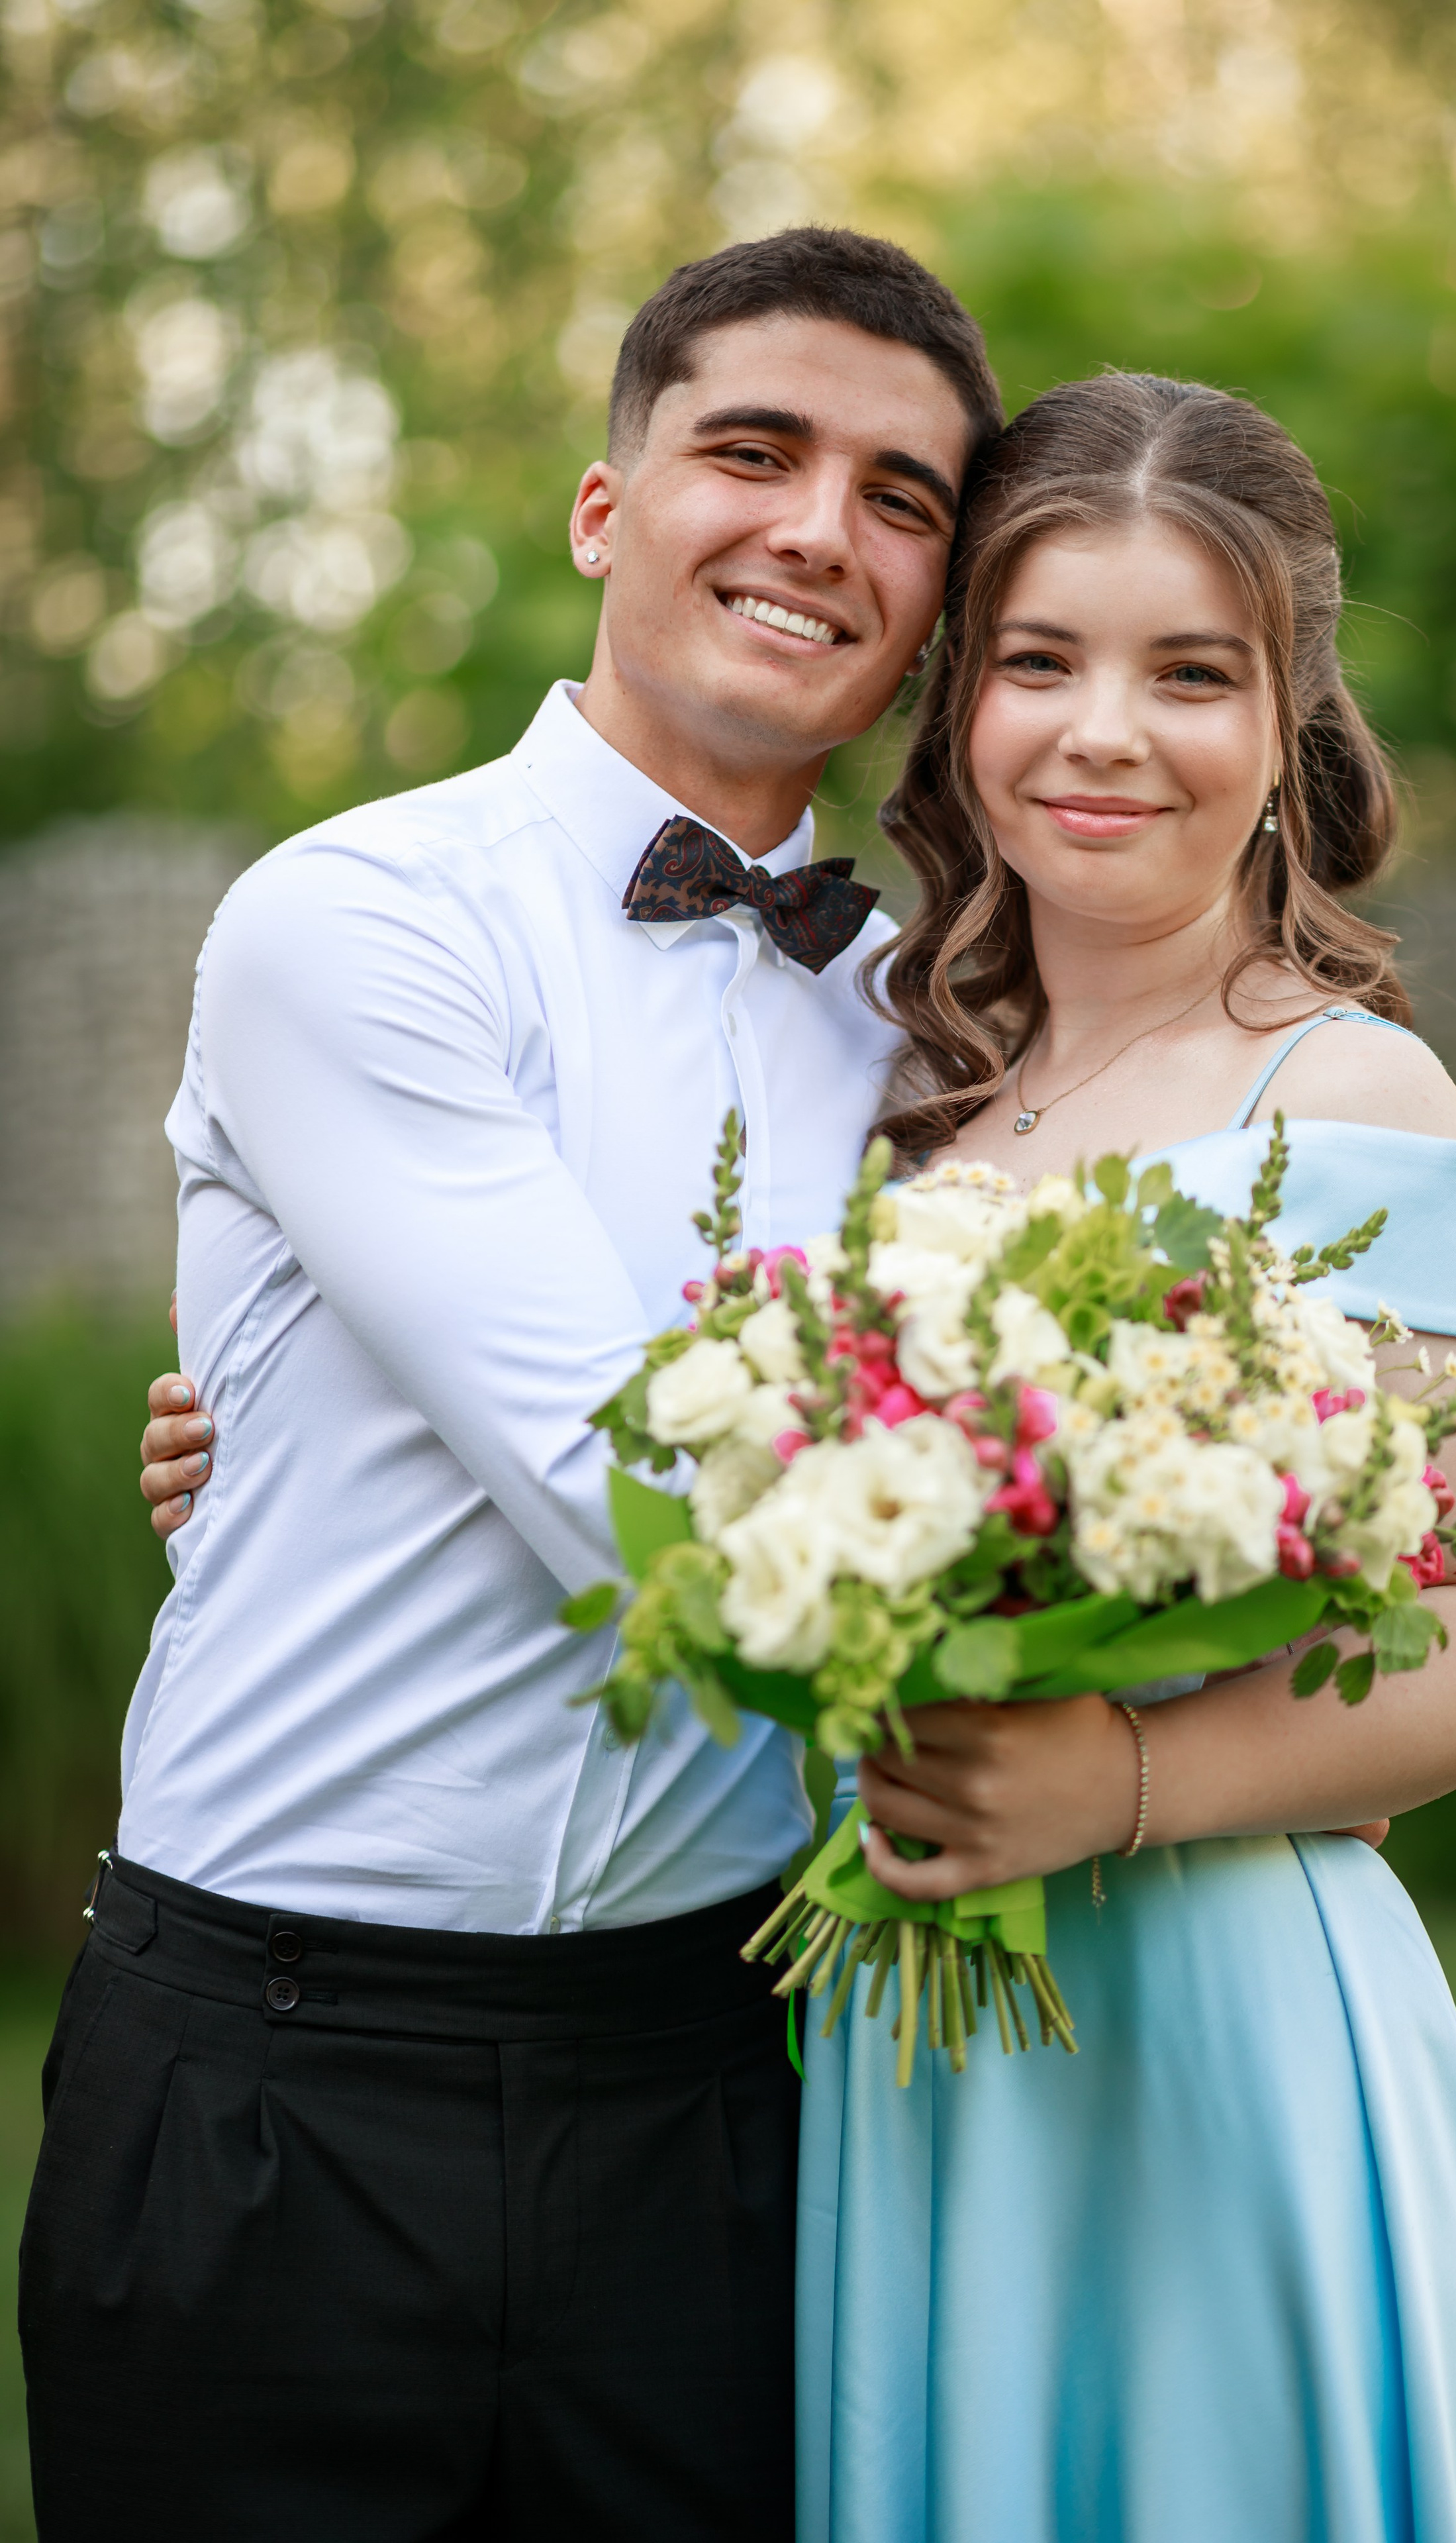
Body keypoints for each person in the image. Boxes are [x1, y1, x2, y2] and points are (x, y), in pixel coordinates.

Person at [21, 226, 1002, 2543]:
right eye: (749, 452)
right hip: (278, 2085)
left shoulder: (947, 1032)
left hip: (726, 2075)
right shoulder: (361, 917)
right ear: (603, 505)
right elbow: (626, 1489)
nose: (814, 531)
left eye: (899, 496)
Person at [795, 374, 1456, 2540]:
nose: (1103, 734)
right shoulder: (902, 1100)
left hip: (1217, 2018)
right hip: (909, 2032)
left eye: (1190, 673)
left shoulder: (1352, 1103)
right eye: (1042, 660)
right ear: (961, 699)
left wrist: (1121, 1782)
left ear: (1288, 730)